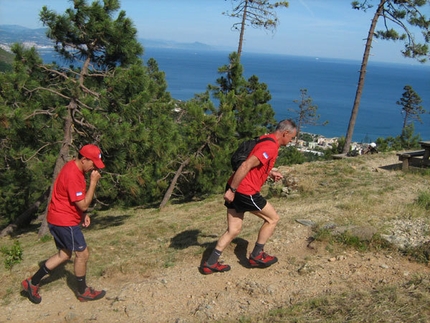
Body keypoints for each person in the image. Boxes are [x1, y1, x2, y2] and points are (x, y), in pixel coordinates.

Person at [201, 119, 298, 274]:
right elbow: (246, 165)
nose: (291, 141)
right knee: (272, 219)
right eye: (292, 137)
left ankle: (211, 263)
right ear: (285, 133)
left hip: (236, 186)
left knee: (233, 229)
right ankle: (257, 255)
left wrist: (270, 172)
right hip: (245, 191)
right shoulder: (271, 145)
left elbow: (255, 163)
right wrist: (232, 190)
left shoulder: (265, 138)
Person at [22, 144, 107, 303]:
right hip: (64, 221)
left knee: (64, 254)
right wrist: (93, 183)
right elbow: (83, 204)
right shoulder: (73, 174)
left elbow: (75, 201)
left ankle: (32, 282)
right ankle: (83, 292)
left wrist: (83, 215)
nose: (95, 168)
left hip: (58, 218)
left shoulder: (75, 168)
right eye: (93, 163)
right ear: (84, 159)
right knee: (82, 254)